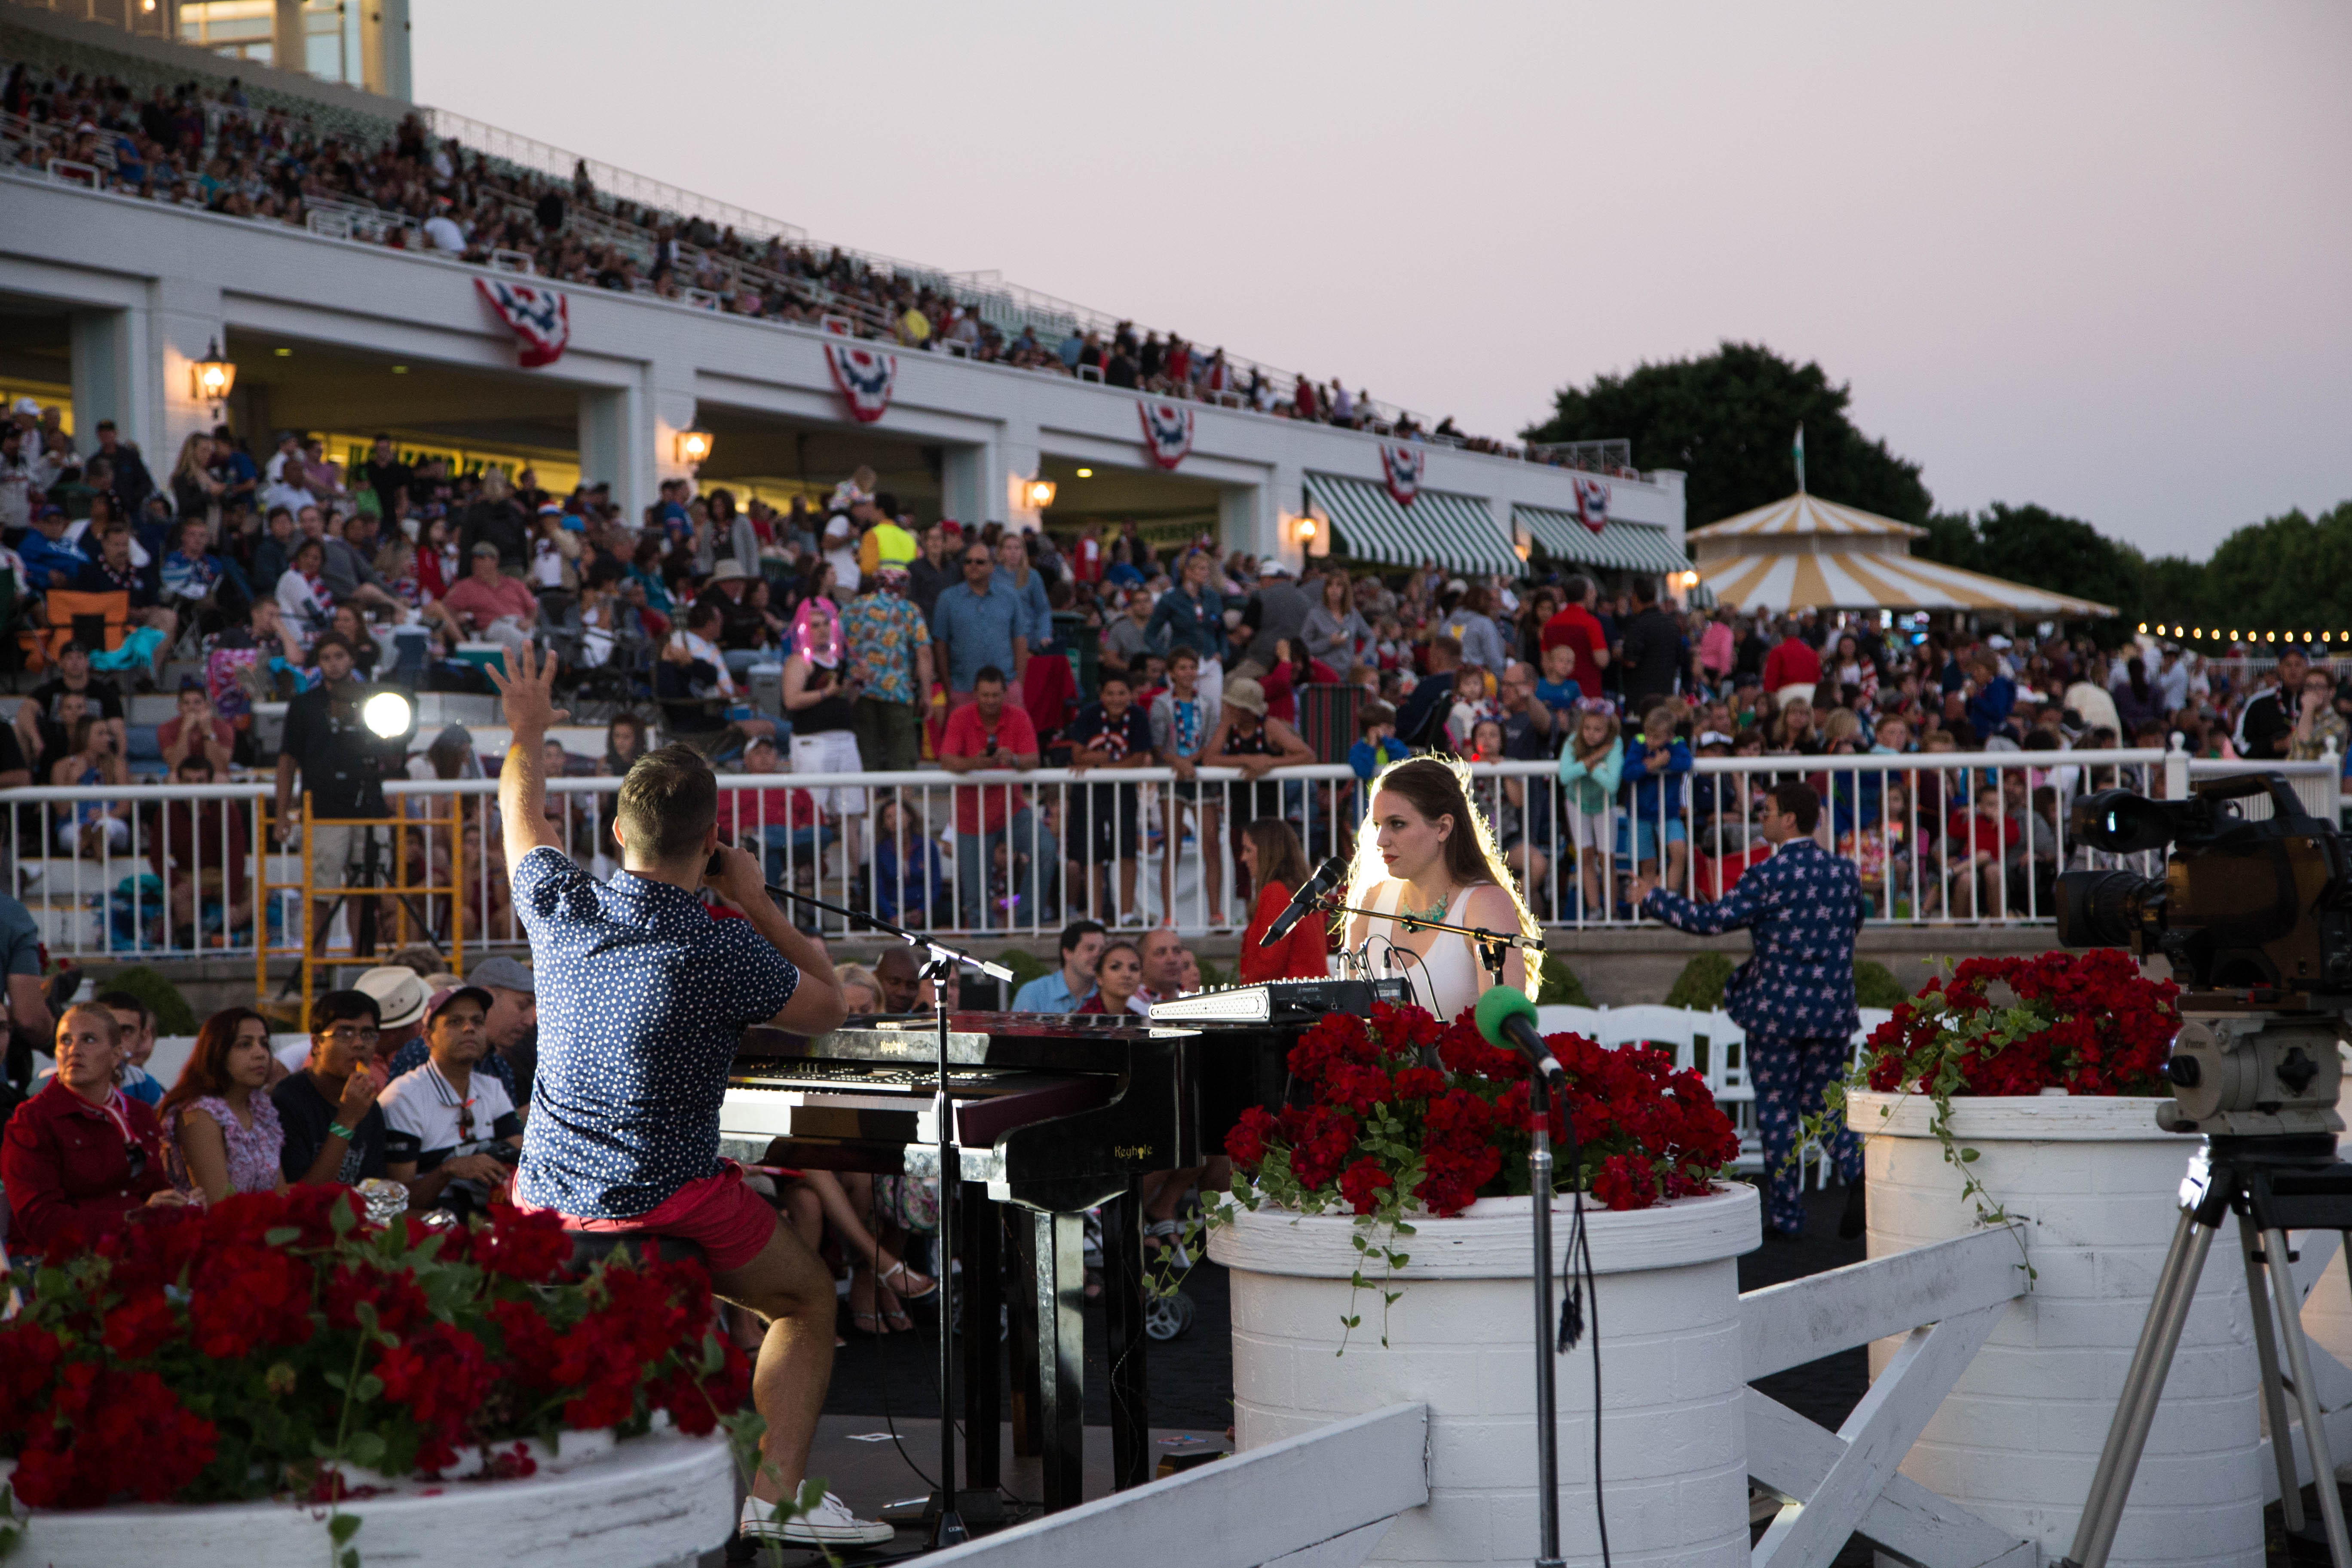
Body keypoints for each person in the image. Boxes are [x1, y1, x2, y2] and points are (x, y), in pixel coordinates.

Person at [482, 646, 883, 1548]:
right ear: (711, 843)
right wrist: (756, 902)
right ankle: (774, 1501)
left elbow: (521, 806)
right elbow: (828, 1006)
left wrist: (529, 728)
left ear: (620, 835)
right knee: (808, 1301)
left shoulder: (560, 906)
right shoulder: (723, 945)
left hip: (544, 1196)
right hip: (666, 1195)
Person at [1634, 781, 1864, 1241]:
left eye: (1768, 811)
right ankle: (1862, 1173)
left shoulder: (1770, 874)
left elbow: (1711, 921)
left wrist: (1653, 897)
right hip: (1833, 1009)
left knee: (1778, 1111)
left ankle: (1787, 1216)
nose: (1761, 818)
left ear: (1790, 821)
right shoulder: (1845, 873)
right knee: (1826, 1104)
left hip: (1776, 1011)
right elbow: (1854, 924)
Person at [1336, 753, 1537, 1024]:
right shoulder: (1370, 902)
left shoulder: (1484, 903)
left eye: (1397, 824)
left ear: (1443, 828)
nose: (1381, 840)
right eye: (1378, 825)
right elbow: (1350, 1020)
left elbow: (1503, 1032)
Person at [2, 1002, 184, 1249]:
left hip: (134, 1251)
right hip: (58, 1266)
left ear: (116, 1055)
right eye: (65, 1040)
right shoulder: (32, 1120)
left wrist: (179, 1205)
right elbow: (41, 1220)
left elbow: (154, 1191)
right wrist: (133, 1219)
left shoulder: (139, 1114)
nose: (74, 1050)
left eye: (88, 1040)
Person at [274, 634, 406, 954]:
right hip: (322, 808)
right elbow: (288, 760)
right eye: (326, 658)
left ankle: (361, 964)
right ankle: (316, 969)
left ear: (351, 659)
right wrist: (281, 814)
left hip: (369, 806)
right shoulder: (304, 705)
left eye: (339, 656)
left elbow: (393, 754)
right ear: (319, 664)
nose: (334, 663)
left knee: (366, 892)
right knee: (321, 892)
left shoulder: (376, 701)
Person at [378, 984, 523, 1220]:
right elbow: (399, 1200)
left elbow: (520, 1152)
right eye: (455, 1022)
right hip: (432, 1228)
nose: (469, 1029)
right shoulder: (403, 1097)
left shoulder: (491, 1087)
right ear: (427, 1037)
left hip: (482, 1217)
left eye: (478, 1021)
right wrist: (450, 1169)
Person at [938, 665, 1040, 931]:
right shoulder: (960, 716)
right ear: (975, 693)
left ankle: (1026, 921)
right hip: (971, 816)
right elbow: (946, 760)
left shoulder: (1018, 717)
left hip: (1012, 809)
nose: (991, 701)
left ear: (1005, 693)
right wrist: (977, 763)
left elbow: (1033, 759)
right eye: (985, 695)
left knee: (1045, 849)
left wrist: (1013, 759)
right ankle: (984, 952)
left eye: (996, 695)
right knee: (975, 893)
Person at [159, 1006, 286, 1201]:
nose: (261, 1054)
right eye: (245, 1045)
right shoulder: (198, 1113)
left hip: (267, 1226)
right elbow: (220, 1206)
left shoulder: (260, 1107)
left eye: (264, 1044)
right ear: (217, 1052)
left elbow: (280, 1192)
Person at [274, 989, 392, 1185]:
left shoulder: (368, 1105)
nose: (359, 1043)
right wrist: (346, 1121)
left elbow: (372, 1188)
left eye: (368, 1034)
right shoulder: (287, 1102)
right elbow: (301, 1197)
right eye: (345, 1033)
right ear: (316, 1043)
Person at [1064, 670, 1155, 925]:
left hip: (1122, 789)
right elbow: (1077, 755)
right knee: (1092, 853)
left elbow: (1139, 757)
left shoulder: (1137, 716)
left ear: (1130, 695)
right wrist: (1113, 760)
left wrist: (1100, 766)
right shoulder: (1090, 714)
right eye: (1111, 693)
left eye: (1122, 693)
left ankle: (1126, 914)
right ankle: (1095, 916)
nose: (1116, 699)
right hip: (1089, 792)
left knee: (1127, 849)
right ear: (1102, 695)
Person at [1151, 647, 1224, 926]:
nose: (1188, 673)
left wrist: (1192, 761)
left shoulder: (1207, 703)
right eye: (1181, 668)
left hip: (1200, 776)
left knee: (1211, 843)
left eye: (1192, 667)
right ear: (1171, 673)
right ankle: (1169, 915)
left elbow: (1210, 742)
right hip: (1173, 776)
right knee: (1173, 844)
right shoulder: (1161, 704)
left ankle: (1215, 913)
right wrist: (1178, 762)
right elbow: (1158, 746)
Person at [840, 564, 933, 772]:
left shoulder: (853, 607)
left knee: (866, 759)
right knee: (902, 759)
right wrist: (926, 695)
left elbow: (837, 647)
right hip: (897, 693)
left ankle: (869, 804)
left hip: (859, 692)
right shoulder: (909, 610)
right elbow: (924, 654)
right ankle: (904, 804)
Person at [931, 538, 1027, 708]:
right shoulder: (947, 599)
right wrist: (948, 688)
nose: (973, 565)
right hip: (963, 690)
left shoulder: (1010, 597)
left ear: (992, 567)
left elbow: (1019, 640)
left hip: (1005, 689)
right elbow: (940, 645)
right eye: (968, 562)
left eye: (980, 562)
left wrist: (1018, 684)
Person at [1238, 820, 1329, 983]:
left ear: (1267, 853)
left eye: (1248, 849)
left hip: (1287, 1000)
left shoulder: (1277, 892)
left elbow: (1269, 964)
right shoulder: (1302, 892)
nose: (1243, 858)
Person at [1615, 576, 1685, 708]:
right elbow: (1680, 659)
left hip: (1641, 698)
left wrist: (1618, 655)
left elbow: (1631, 661)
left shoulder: (1638, 625)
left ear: (1636, 597)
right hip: (1665, 695)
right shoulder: (1672, 625)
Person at [1539, 575, 1610, 700]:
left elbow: (1545, 663)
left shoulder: (1551, 623)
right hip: (1587, 693)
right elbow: (1602, 660)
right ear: (1586, 595)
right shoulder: (1591, 623)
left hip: (1558, 692)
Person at [1012, 919, 1104, 1013]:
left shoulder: (1108, 994)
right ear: (1067, 953)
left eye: (1102, 950)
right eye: (1090, 949)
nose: (1098, 955)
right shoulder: (1033, 993)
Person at [1075, 938, 1145, 1016]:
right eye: (1115, 967)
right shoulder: (1086, 1019)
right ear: (1099, 977)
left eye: (1134, 968)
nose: (1127, 975)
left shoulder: (1134, 1017)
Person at [1761, 619, 1822, 707]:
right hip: (1812, 695)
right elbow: (1818, 676)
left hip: (1787, 696)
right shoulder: (1812, 652)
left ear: (1781, 634)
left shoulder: (1777, 652)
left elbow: (1771, 680)